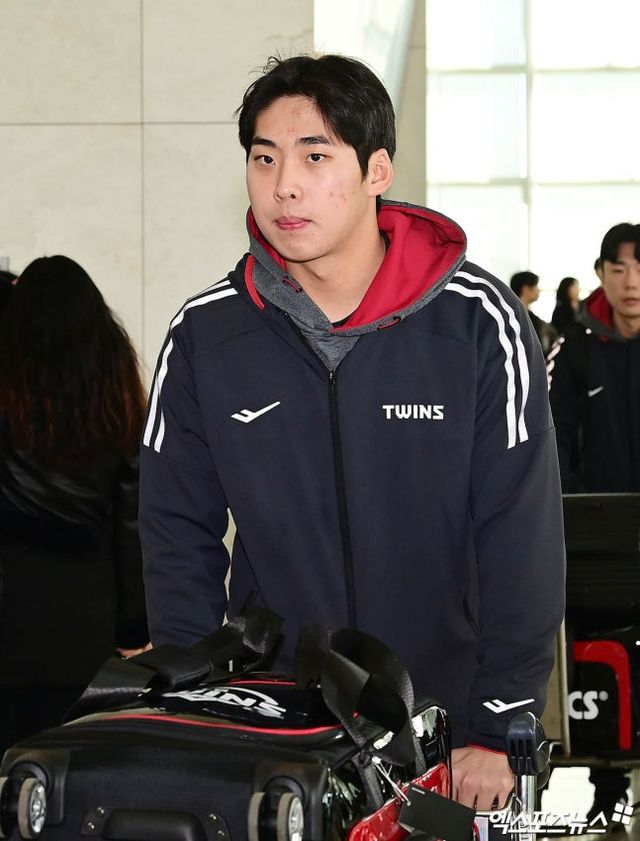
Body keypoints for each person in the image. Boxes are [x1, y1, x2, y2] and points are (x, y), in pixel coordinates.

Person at [140, 54, 565, 811]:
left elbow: (520, 534)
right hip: (278, 731)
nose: (284, 185)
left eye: (315, 156)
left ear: (377, 171)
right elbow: (176, 535)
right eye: (264, 158)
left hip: (452, 733)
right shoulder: (206, 334)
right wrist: (200, 707)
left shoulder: (478, 322)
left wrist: (501, 725)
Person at [0, 255, 149, 753]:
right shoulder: (116, 394)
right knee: (69, 772)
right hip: (86, 622)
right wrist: (134, 626)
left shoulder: (9, 388)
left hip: (11, 609)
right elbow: (131, 526)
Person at [547, 222, 640, 821]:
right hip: (598, 537)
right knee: (600, 652)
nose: (632, 282)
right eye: (620, 268)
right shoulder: (576, 347)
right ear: (601, 273)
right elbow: (553, 439)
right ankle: (608, 785)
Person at [510, 270, 557, 353]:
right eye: (535, 286)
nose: (538, 290)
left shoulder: (530, 316)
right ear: (525, 289)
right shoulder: (514, 316)